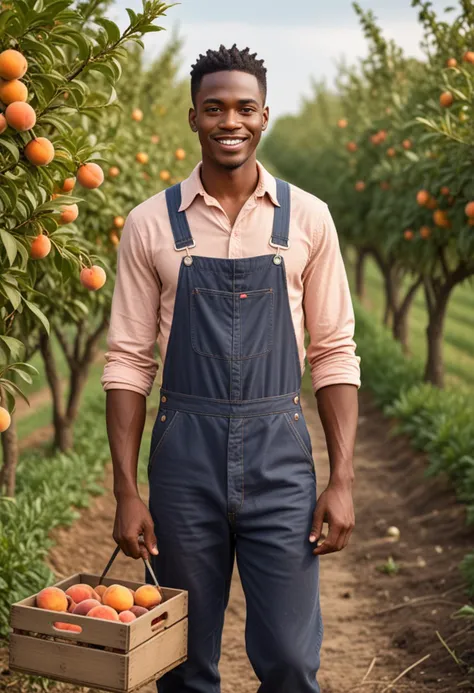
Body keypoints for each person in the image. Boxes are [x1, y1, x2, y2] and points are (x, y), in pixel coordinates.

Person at [101, 44, 360, 693]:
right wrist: (127, 489)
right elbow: (129, 361)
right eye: (214, 108)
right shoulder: (150, 224)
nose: (230, 121)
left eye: (244, 107)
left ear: (265, 115)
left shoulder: (307, 220)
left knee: (291, 661)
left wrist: (343, 478)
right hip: (184, 460)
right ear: (193, 117)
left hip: (281, 456)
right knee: (182, 660)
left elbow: (333, 352)